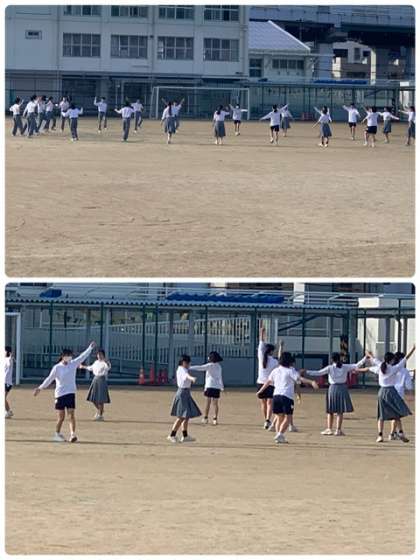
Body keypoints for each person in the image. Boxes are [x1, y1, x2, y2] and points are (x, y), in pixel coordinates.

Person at [33, 342, 95, 443]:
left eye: (70, 355)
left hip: (70, 393)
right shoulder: (57, 367)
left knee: (71, 415)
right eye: (67, 355)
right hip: (60, 395)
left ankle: (72, 434)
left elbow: (82, 356)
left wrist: (90, 348)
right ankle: (57, 434)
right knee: (61, 417)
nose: (69, 357)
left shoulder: (73, 363)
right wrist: (40, 388)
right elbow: (49, 379)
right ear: (62, 356)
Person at [256, 352, 318, 444]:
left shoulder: (275, 371)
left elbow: (268, 382)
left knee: (279, 417)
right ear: (290, 362)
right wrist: (311, 382)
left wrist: (260, 391)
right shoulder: (290, 371)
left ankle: (278, 436)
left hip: (276, 396)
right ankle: (280, 434)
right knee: (288, 418)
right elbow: (300, 379)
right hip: (286, 397)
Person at [303, 352, 367, 436]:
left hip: (332, 388)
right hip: (342, 388)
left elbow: (318, 372)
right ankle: (338, 430)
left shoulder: (330, 368)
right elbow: (357, 365)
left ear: (331, 359)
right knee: (340, 411)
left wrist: (306, 371)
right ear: (339, 358)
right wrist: (365, 358)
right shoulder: (345, 367)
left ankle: (329, 429)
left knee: (330, 410)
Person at [364, 345, 415, 443]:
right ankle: (400, 432)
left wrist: (368, 354)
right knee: (396, 413)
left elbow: (373, 359)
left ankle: (380, 435)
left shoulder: (380, 366)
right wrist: (413, 348)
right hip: (392, 391)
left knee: (381, 415)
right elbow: (405, 359)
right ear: (391, 360)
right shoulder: (394, 368)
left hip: (382, 392)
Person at [167, 355, 201, 443]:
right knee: (181, 416)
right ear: (183, 362)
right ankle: (172, 435)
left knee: (186, 416)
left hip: (186, 393)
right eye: (188, 363)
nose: (189, 364)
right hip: (182, 393)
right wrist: (192, 378)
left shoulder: (182, 369)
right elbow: (186, 376)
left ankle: (185, 436)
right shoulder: (182, 370)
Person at [189, 351, 224, 425]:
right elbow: (220, 377)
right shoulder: (219, 366)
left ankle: (205, 418)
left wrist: (189, 367)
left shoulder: (209, 365)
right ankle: (215, 419)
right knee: (215, 403)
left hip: (210, 385)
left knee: (208, 402)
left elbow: (200, 367)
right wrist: (221, 387)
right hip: (216, 386)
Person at [80, 349, 111, 421]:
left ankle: (100, 415)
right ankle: (100, 410)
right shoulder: (96, 362)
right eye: (98, 354)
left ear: (103, 355)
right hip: (95, 380)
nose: (99, 356)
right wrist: (83, 366)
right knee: (92, 398)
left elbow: (108, 367)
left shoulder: (105, 363)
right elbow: (90, 368)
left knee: (101, 399)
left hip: (102, 380)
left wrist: (106, 361)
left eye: (101, 354)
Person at [256, 326, 278, 429]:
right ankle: (268, 420)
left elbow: (261, 343)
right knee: (270, 403)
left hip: (260, 382)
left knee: (263, 403)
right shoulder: (274, 361)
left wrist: (261, 332)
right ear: (271, 351)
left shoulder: (261, 356)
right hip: (270, 384)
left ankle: (266, 420)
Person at [5, 347, 14, 419]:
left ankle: (9, 411)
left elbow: (9, 363)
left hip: (7, 382)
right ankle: (8, 411)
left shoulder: (9, 359)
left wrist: (10, 357)